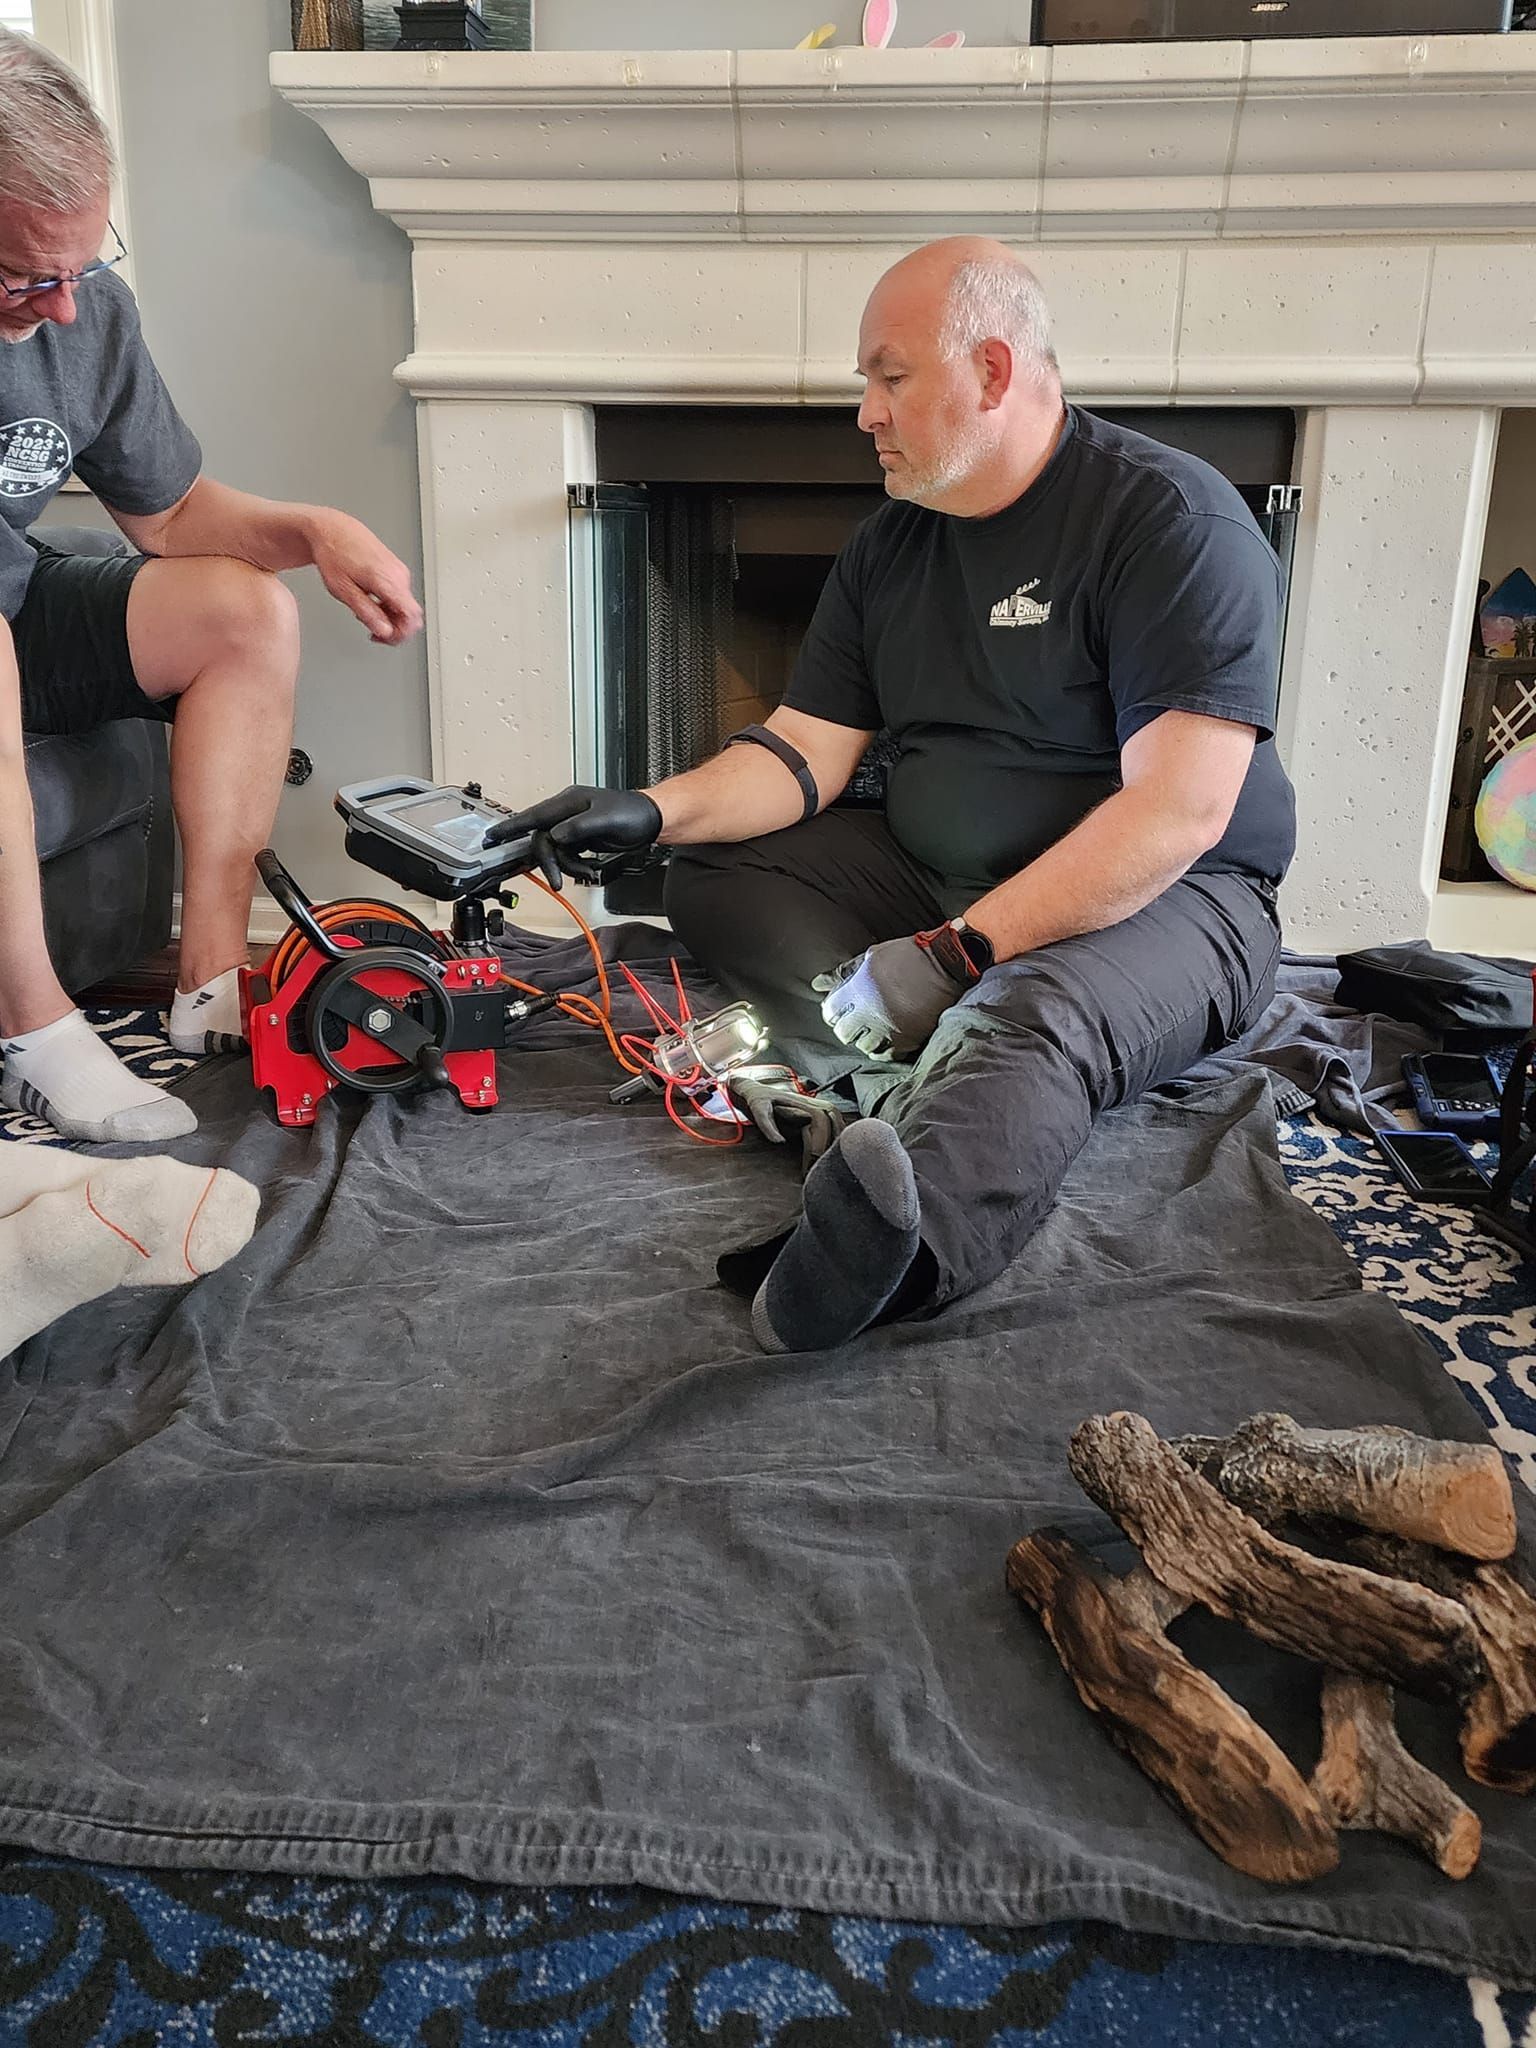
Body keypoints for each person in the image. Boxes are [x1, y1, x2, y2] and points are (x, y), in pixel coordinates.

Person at [510, 235, 1295, 1354]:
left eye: (889, 377)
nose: (865, 413)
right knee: (717, 871)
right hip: (938, 876)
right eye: (863, 385)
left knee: (1024, 1014)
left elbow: (1176, 812)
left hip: (1173, 897)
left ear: (990, 370)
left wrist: (962, 951)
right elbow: (803, 754)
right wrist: (651, 807)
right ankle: (870, 1082)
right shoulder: (891, 547)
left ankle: (892, 1253)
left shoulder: (1172, 522)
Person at [0, 27, 422, 1143]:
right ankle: (34, 1031)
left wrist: (318, 531)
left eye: (82, 268)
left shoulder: (86, 315)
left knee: (244, 611)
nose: (64, 309)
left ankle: (208, 984)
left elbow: (176, 515)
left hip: (14, 611)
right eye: (26, 278)